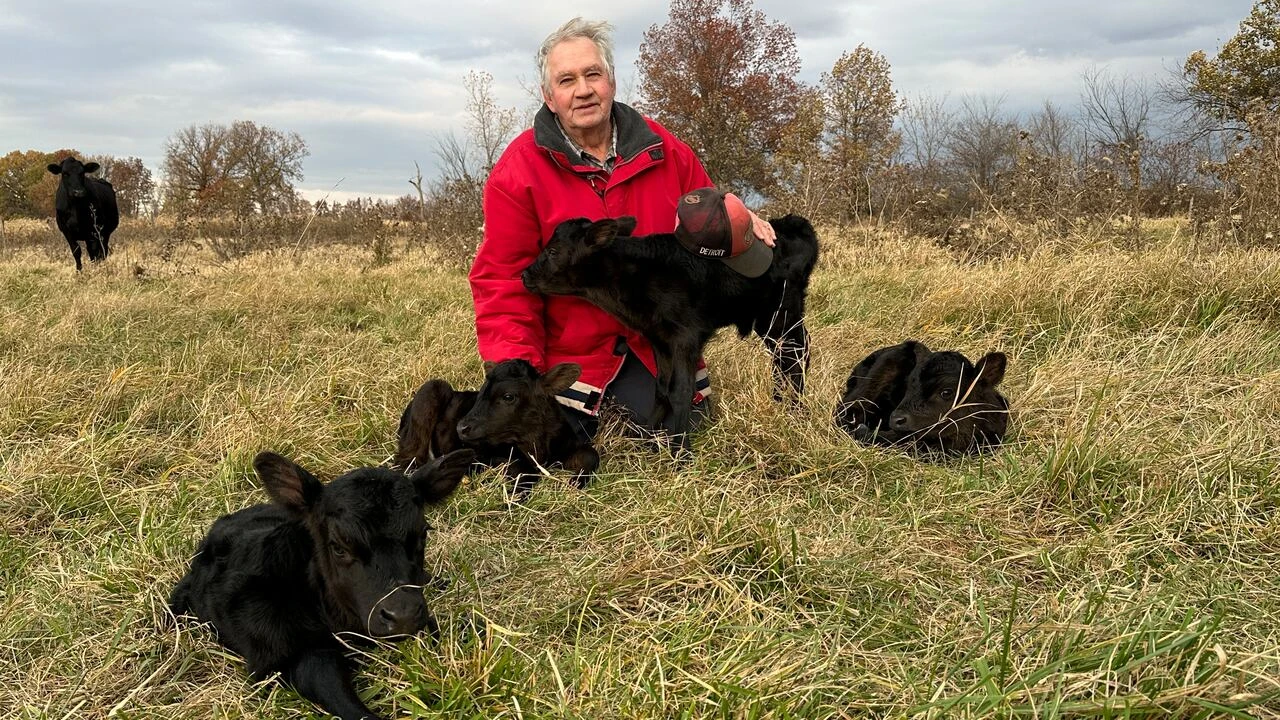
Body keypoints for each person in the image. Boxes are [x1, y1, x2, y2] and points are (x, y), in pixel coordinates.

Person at [468, 16, 776, 440]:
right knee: (544, 442)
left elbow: (708, 223)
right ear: (548, 97)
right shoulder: (517, 173)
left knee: (672, 431)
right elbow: (504, 281)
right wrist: (516, 369)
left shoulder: (666, 150)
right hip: (573, 352)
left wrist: (738, 223)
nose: (583, 90)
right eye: (566, 80)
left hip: (657, 343)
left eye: (593, 74)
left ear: (611, 80)